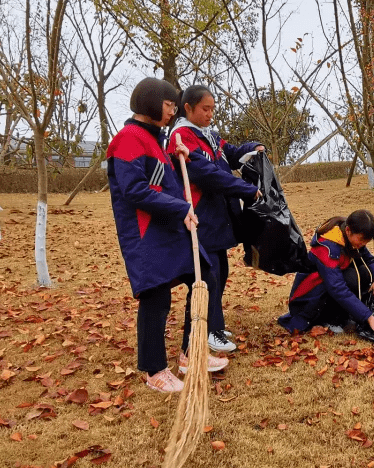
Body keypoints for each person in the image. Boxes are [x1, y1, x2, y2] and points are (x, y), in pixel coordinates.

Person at [107, 77, 228, 393]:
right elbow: (134, 190)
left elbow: (161, 179)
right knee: (156, 296)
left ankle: (191, 354)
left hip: (172, 227)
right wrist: (178, 208)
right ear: (150, 102)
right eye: (169, 105)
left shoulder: (154, 140)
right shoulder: (128, 139)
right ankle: (154, 369)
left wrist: (177, 158)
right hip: (145, 232)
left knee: (205, 278)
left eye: (175, 107)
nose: (174, 112)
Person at [167, 84, 263, 353]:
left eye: (212, 109)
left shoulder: (208, 134)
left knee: (221, 271)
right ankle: (208, 330)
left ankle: (215, 324)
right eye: (205, 109)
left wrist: (252, 148)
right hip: (199, 216)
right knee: (208, 274)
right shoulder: (181, 137)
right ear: (188, 108)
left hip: (219, 216)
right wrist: (246, 189)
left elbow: (228, 154)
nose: (210, 114)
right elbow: (207, 173)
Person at [278, 209, 374, 338]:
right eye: (361, 240)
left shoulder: (349, 235)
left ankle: (346, 315)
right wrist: (369, 318)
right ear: (348, 230)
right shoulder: (327, 248)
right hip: (309, 299)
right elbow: (337, 288)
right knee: (351, 279)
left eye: (367, 241)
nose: (363, 244)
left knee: (365, 272)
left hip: (327, 289)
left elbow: (368, 259)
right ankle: (331, 319)